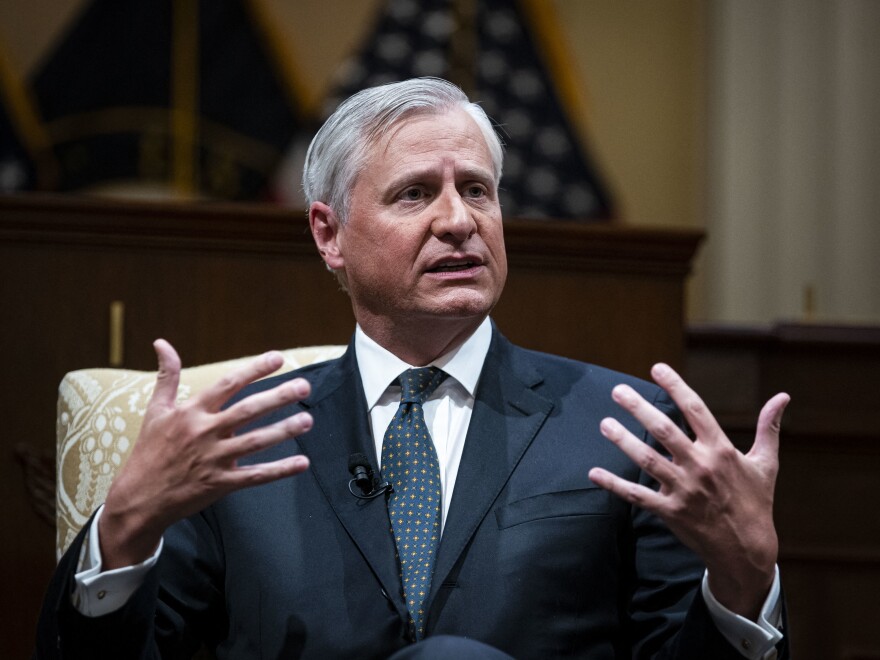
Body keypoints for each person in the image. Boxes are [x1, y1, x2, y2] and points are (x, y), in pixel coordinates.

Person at [35, 78, 790, 659]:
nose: (458, 220)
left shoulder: (622, 425)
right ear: (329, 234)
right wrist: (125, 528)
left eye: (477, 191)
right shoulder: (239, 438)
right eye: (415, 194)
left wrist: (743, 585)